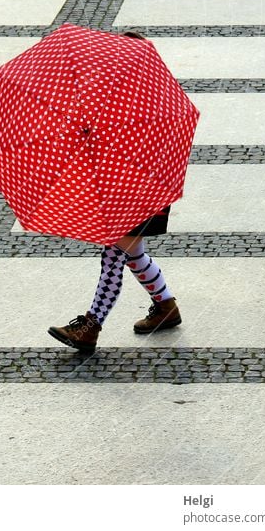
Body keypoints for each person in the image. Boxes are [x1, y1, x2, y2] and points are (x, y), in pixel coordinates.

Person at [47, 31, 182, 354]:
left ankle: (91, 326)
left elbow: (130, 155)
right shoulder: (125, 98)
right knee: (132, 254)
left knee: (113, 257)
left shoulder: (143, 106)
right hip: (133, 193)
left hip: (136, 195)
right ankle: (166, 307)